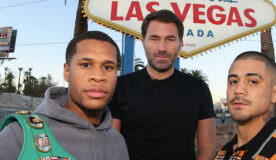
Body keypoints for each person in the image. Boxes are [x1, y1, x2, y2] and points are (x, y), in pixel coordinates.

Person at [0, 31, 129, 160]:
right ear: (67, 72)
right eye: (86, 65)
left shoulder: (118, 141)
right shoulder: (19, 135)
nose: (98, 76)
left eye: (108, 67)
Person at [109, 10, 216, 160]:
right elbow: (111, 146)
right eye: (154, 39)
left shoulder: (198, 88)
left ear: (181, 44)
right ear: (143, 42)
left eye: (170, 39)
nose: (162, 48)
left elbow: (207, 149)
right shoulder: (120, 86)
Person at [215, 51, 276, 159]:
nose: (238, 90)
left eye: (253, 82)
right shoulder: (224, 152)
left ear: (275, 93)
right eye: (234, 81)